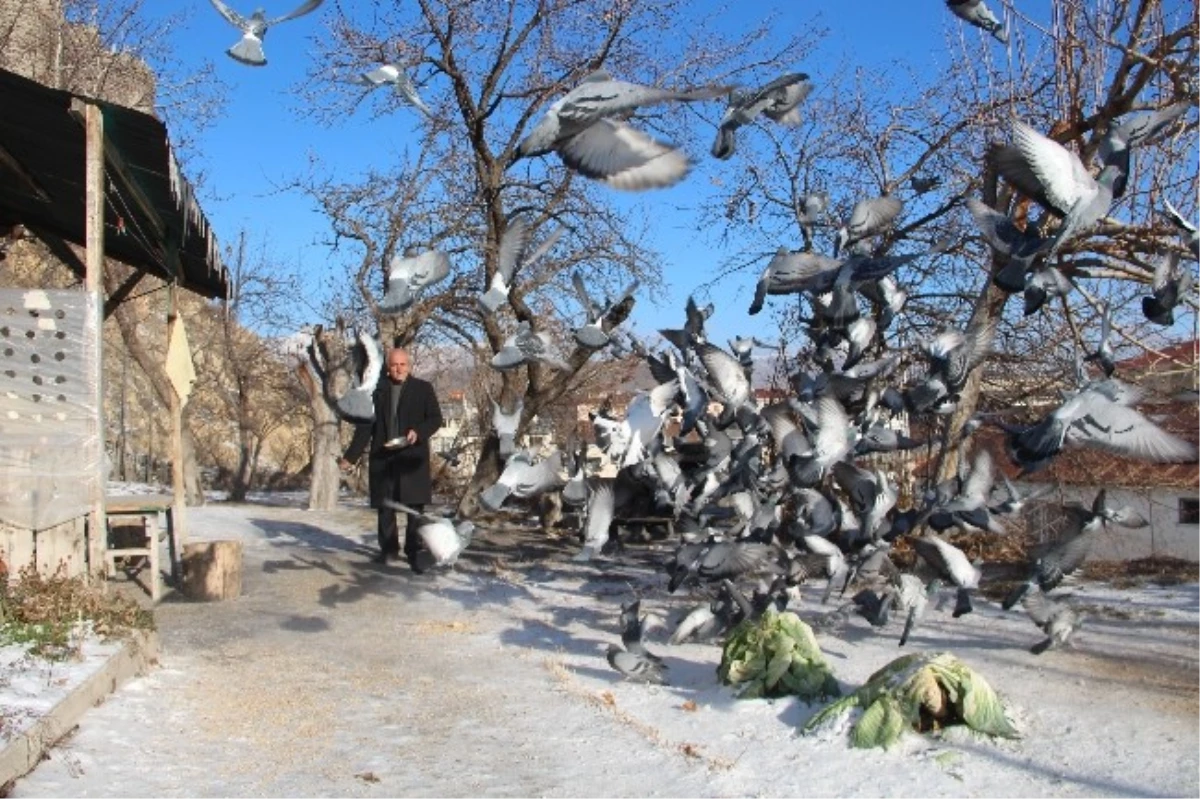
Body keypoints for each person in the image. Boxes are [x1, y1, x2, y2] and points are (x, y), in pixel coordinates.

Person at [339, 346, 443, 571]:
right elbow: (365, 426)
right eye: (394, 365)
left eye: (402, 364)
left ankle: (414, 552)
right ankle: (388, 551)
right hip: (383, 456)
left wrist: (419, 431)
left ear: (409, 365)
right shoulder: (377, 391)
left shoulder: (423, 389)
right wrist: (351, 457)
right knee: (385, 507)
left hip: (412, 458)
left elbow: (435, 419)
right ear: (388, 368)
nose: (398, 369)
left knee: (414, 509)